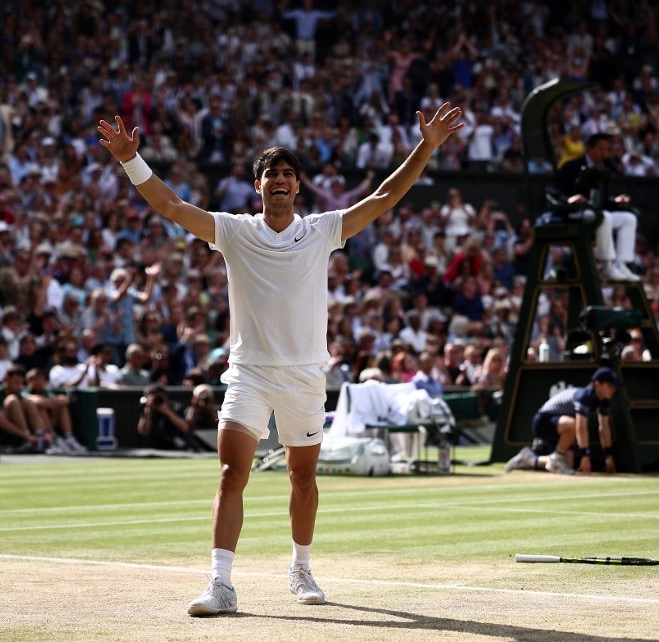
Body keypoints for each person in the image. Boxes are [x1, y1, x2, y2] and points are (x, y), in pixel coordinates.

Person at [98, 99, 463, 616]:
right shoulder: (233, 230)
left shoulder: (322, 230)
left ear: (298, 187)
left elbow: (385, 196)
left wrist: (427, 146)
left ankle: (301, 568)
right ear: (259, 187)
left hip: (305, 376)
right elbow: (174, 208)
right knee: (231, 473)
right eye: (272, 174)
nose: (281, 181)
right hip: (248, 373)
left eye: (289, 174)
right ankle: (221, 584)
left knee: (302, 477)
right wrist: (130, 160)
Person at [550, 133, 640, 282]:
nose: (604, 153)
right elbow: (554, 191)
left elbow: (601, 201)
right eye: (600, 149)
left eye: (606, 150)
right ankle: (606, 266)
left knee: (628, 219)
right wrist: (570, 199)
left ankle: (622, 264)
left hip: (595, 213)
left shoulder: (603, 169)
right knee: (604, 217)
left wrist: (616, 201)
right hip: (573, 213)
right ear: (589, 149)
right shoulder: (572, 166)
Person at [504, 367, 621, 475]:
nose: (614, 389)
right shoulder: (584, 396)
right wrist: (585, 456)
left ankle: (529, 459)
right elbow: (580, 428)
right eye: (610, 385)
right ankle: (556, 457)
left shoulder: (604, 400)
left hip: (561, 427)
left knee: (567, 467)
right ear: (598, 384)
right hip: (543, 422)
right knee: (574, 425)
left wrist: (608, 456)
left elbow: (604, 428)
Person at [135, 383, 192, 450]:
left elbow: (185, 428)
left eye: (157, 397)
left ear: (165, 397)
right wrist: (148, 413)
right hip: (153, 448)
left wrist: (167, 411)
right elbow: (143, 432)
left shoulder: (176, 407)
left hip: (175, 446)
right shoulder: (146, 409)